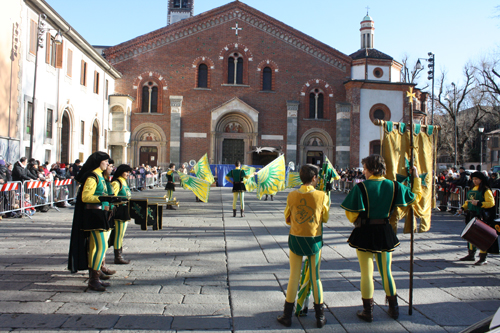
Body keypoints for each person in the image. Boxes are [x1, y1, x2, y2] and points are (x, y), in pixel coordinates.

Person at [340, 154, 421, 322]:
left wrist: (358, 219)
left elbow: (351, 214)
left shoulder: (361, 187)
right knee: (387, 273)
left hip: (365, 231)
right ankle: (394, 309)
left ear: (370, 169)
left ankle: (368, 311)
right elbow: (415, 197)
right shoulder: (394, 186)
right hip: (384, 230)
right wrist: (417, 178)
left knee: (366, 274)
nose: (364, 171)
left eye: (365, 168)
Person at [277, 164, 329, 328]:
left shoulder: (292, 195)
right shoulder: (322, 195)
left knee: (293, 276)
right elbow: (325, 218)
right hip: (314, 239)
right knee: (316, 277)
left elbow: (287, 217)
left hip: (296, 238)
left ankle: (287, 315)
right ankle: (320, 317)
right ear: (314, 178)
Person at [68, 151, 115, 292]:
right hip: (94, 215)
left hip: (101, 214)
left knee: (96, 247)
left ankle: (96, 276)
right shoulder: (93, 176)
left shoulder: (100, 175)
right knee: (101, 246)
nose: (107, 164)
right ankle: (93, 279)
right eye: (105, 161)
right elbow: (86, 196)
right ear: (98, 162)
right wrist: (104, 198)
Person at [457, 171, 497, 265]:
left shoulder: (486, 190)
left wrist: (479, 204)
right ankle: (471, 254)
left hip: (481, 215)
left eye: (476, 179)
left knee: (482, 237)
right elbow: (468, 201)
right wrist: (463, 208)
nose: (474, 181)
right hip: (471, 214)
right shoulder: (472, 189)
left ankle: (483, 257)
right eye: (473, 179)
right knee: (471, 235)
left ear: (481, 180)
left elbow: (491, 203)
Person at [109, 164, 133, 264]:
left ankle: (119, 254)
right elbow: (112, 197)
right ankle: (117, 256)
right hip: (119, 212)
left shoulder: (124, 182)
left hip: (125, 211)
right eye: (126, 172)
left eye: (128, 172)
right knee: (119, 234)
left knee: (121, 234)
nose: (128, 174)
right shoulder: (117, 182)